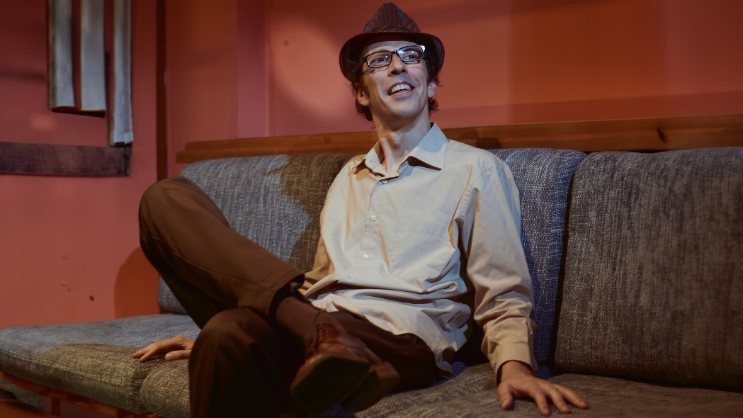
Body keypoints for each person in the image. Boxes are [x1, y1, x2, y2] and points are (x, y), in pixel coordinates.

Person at [134, 3, 588, 417]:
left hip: (400, 338)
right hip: (323, 326)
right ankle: (314, 333)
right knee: (168, 211)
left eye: (411, 56)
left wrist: (515, 366)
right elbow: (319, 282)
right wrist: (248, 326)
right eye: (379, 59)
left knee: (230, 333)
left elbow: (504, 291)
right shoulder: (348, 177)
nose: (397, 65)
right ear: (362, 94)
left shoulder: (476, 170)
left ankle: (317, 335)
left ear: (431, 83)